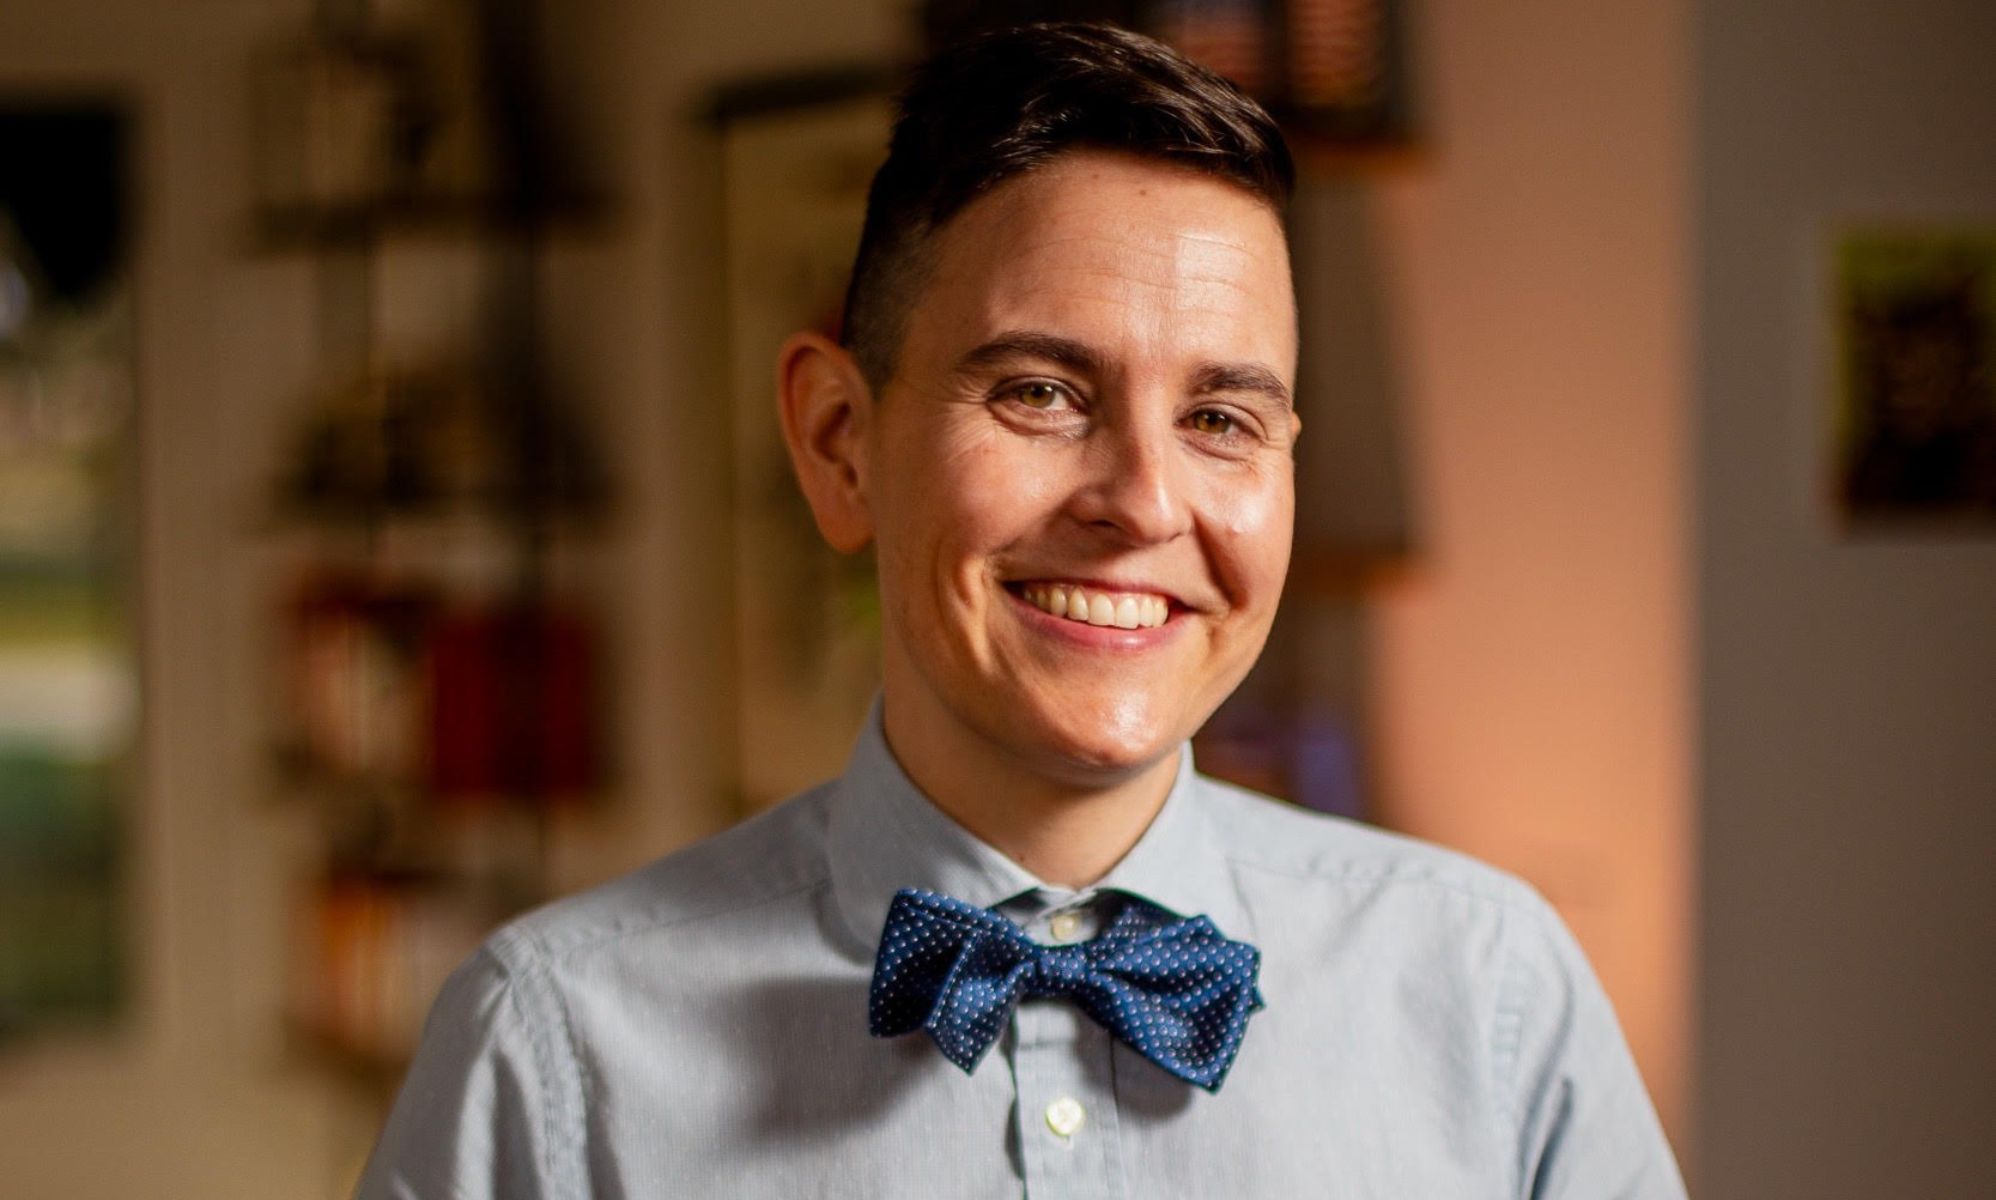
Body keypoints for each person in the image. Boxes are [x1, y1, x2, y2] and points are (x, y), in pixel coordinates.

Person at [358, 22, 1686, 1199]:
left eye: (1221, 418)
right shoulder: (551, 1054)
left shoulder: (1492, 988)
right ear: (837, 443)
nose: (1144, 502)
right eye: (1042, 392)